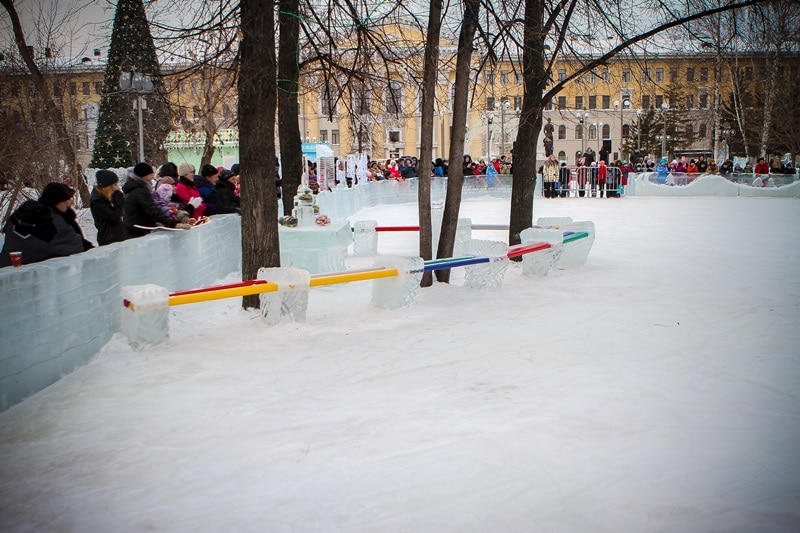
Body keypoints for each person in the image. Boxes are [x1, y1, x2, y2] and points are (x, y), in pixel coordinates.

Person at [0, 182, 93, 267]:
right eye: (67, 199)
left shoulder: (19, 214)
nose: (70, 203)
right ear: (58, 202)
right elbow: (76, 246)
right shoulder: (55, 222)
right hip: (34, 277)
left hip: (6, 270)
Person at [124, 162, 188, 238]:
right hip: (138, 230)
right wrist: (173, 224)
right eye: (150, 174)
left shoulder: (137, 188)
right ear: (144, 175)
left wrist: (155, 222)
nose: (152, 177)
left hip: (137, 227)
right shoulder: (140, 190)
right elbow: (152, 209)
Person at [90, 169, 128, 246]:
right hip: (109, 238)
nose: (117, 187)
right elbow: (113, 216)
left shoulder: (106, 196)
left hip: (116, 236)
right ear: (108, 186)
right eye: (115, 185)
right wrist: (119, 202)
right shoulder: (97, 200)